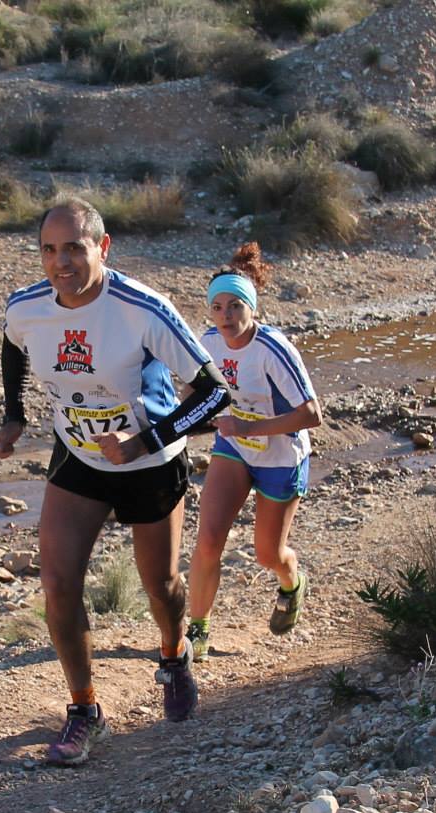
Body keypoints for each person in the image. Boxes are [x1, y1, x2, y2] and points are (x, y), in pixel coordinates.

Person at [0, 198, 230, 765]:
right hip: (79, 456)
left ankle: (174, 655)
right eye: (49, 249)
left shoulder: (143, 309)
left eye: (73, 247)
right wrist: (13, 413)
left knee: (161, 586)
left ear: (103, 246)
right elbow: (11, 344)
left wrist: (143, 442)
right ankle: (83, 711)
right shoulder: (27, 307)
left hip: (150, 461)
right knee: (58, 581)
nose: (60, 262)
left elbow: (215, 391)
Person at [186, 243, 322, 663]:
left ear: (253, 309)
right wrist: (190, 414)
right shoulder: (208, 340)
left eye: (235, 306)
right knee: (208, 541)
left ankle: (291, 581)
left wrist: (248, 426)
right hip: (235, 447)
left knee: (268, 554)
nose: (226, 316)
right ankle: (198, 630)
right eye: (218, 307)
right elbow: (195, 389)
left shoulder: (273, 348)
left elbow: (312, 414)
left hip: (282, 454)